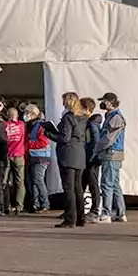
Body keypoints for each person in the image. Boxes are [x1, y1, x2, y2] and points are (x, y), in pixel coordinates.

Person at [45, 92, 89, 229]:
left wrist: (49, 134)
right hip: (79, 154)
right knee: (78, 188)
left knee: (69, 188)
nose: (62, 102)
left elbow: (65, 137)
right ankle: (81, 218)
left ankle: (70, 218)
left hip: (68, 155)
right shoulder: (82, 118)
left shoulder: (68, 118)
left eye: (64, 100)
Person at [94, 92, 127, 223]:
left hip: (111, 154)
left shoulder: (116, 118)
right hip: (112, 153)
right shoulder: (111, 116)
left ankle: (106, 213)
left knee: (106, 184)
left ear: (110, 102)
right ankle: (120, 212)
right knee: (114, 184)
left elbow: (108, 138)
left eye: (104, 101)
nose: (102, 104)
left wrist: (97, 149)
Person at [24, 105, 52, 213]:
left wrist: (29, 144)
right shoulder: (30, 126)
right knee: (34, 181)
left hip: (41, 157)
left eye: (27, 113)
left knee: (38, 180)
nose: (26, 115)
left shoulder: (40, 126)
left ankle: (45, 203)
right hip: (33, 157)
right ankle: (36, 204)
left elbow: (44, 142)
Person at [81, 98, 104, 221]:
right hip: (87, 157)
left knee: (93, 184)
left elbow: (95, 141)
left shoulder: (91, 124)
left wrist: (92, 156)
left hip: (91, 159)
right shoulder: (88, 123)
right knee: (83, 183)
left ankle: (95, 210)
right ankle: (81, 208)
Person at [3, 106, 27, 215]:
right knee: (20, 182)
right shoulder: (22, 125)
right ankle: (19, 206)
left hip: (7, 155)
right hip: (19, 155)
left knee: (5, 181)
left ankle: (6, 205)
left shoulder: (4, 125)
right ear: (17, 115)